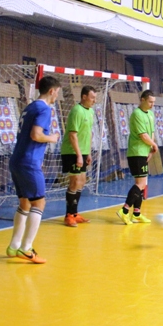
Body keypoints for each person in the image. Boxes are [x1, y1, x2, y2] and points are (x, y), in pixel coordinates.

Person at [6, 76, 61, 264]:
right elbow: (36, 135)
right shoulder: (44, 109)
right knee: (39, 203)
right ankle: (26, 248)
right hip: (28, 162)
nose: (57, 96)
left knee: (25, 203)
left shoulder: (29, 107)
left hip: (17, 160)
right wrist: (52, 138)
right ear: (52, 91)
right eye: (57, 92)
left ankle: (14, 246)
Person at [116, 90, 158, 224]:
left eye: (153, 102)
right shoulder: (137, 114)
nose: (152, 104)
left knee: (141, 184)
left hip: (144, 152)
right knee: (141, 184)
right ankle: (124, 210)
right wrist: (154, 145)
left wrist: (150, 149)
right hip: (136, 152)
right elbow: (143, 135)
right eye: (150, 102)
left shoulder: (150, 114)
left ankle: (136, 214)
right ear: (142, 100)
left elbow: (151, 133)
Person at [61, 86, 96, 227]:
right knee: (74, 181)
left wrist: (88, 153)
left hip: (83, 152)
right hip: (72, 152)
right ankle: (68, 215)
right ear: (84, 97)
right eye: (92, 97)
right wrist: (79, 155)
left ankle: (75, 213)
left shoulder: (91, 111)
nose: (94, 100)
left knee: (81, 181)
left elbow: (88, 133)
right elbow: (72, 135)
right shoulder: (77, 110)